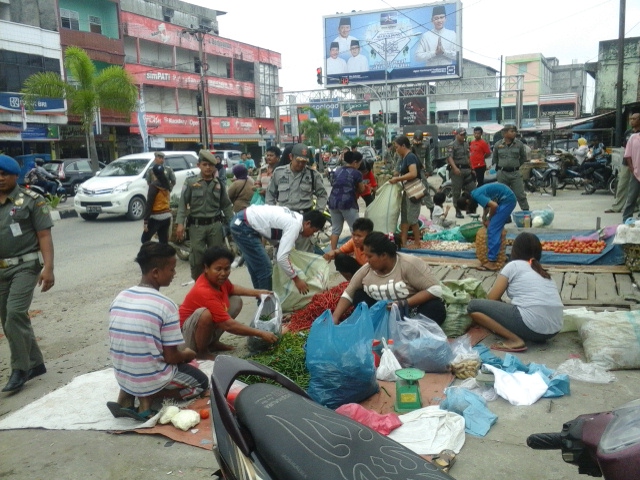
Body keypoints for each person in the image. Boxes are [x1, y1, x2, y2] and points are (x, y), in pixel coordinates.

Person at [107, 242, 208, 421]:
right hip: (149, 376)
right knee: (201, 382)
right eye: (172, 269)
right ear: (155, 272)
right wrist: (187, 354)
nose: (174, 273)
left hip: (123, 375)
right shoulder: (165, 305)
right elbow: (171, 357)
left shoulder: (121, 296)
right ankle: (150, 396)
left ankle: (128, 396)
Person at [0, 154, 54, 392]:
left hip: (26, 266)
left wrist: (48, 268)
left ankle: (20, 369)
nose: (0, 178)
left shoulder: (32, 200)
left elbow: (44, 235)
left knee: (14, 314)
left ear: (15, 176)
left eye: (4, 174)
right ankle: (36, 363)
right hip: (1, 269)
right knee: (9, 319)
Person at [467, 232, 563, 352]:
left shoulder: (513, 266)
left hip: (531, 327)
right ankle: (525, 334)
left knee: (473, 306)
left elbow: (491, 298)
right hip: (553, 330)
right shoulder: (543, 272)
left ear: (515, 250)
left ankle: (514, 340)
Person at [179, 246, 277, 360]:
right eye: (218, 269)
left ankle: (212, 343)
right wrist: (260, 333)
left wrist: (258, 293)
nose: (223, 273)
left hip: (197, 331)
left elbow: (232, 288)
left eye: (227, 269)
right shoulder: (204, 291)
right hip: (183, 339)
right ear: (206, 268)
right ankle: (202, 353)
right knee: (205, 315)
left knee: (236, 301)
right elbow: (228, 325)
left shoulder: (218, 281)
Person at [331, 232, 446, 325]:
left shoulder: (409, 264)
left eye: (370, 256)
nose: (366, 260)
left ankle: (412, 333)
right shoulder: (366, 270)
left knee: (435, 308)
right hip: (383, 315)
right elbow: (349, 293)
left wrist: (404, 303)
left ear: (383, 255)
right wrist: (335, 317)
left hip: (410, 312)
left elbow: (435, 289)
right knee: (359, 295)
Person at [230, 205, 327, 292]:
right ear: (307, 223)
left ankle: (261, 299)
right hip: (244, 226)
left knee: (257, 268)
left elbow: (270, 229)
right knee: (265, 268)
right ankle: (266, 303)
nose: (311, 235)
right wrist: (296, 280)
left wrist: (278, 245)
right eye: (313, 231)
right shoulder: (295, 225)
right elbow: (281, 258)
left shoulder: (296, 217)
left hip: (242, 221)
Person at [175, 152, 233, 280]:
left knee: (217, 259)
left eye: (211, 165)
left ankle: (216, 285)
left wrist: (233, 223)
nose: (208, 167)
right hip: (197, 227)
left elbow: (226, 205)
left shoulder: (219, 184)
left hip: (215, 226)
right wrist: (180, 224)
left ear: (214, 167)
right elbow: (182, 204)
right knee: (197, 259)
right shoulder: (191, 182)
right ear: (199, 165)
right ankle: (199, 284)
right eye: (205, 164)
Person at [266, 143, 327, 252]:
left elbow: (322, 194)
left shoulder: (313, 175)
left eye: (304, 162)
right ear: (291, 157)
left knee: (303, 254)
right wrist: (271, 213)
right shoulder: (279, 172)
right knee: (282, 252)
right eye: (298, 161)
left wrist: (317, 214)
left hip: (304, 222)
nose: (300, 164)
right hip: (283, 220)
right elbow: (270, 193)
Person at [457, 183, 517, 272]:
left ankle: (492, 262)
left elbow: (494, 206)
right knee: (496, 226)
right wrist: (484, 216)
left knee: (493, 229)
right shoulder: (474, 194)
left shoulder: (477, 195)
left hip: (507, 200)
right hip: (504, 200)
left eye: (467, 208)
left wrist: (489, 219)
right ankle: (500, 256)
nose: (469, 210)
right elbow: (487, 206)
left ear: (467, 202)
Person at [389, 135, 424, 249]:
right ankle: (403, 242)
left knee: (412, 218)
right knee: (404, 217)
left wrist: (398, 179)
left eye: (397, 147)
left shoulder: (410, 157)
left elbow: (413, 173)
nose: (396, 149)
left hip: (413, 191)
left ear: (403, 146)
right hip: (407, 190)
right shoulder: (404, 157)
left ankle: (417, 243)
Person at [328, 150, 364, 251]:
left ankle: (333, 252)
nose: (359, 166)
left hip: (333, 202)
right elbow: (361, 189)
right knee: (356, 229)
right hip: (348, 203)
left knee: (335, 229)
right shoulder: (356, 173)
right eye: (359, 163)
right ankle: (357, 253)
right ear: (355, 162)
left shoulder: (338, 170)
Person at [606, 113, 640, 214]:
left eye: (634, 119)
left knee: (635, 188)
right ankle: (617, 207)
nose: (631, 121)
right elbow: (626, 149)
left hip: (638, 163)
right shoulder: (628, 133)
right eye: (630, 119)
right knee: (622, 184)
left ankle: (635, 207)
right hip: (627, 163)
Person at [493, 124, 529, 212]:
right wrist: (502, 166)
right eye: (512, 131)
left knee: (520, 194)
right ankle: (504, 215)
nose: (514, 133)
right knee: (502, 195)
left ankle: (526, 212)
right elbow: (495, 159)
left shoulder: (519, 144)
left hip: (515, 174)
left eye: (515, 131)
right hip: (502, 174)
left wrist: (515, 165)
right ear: (505, 133)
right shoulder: (498, 144)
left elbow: (523, 158)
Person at [324, 217, 373, 281]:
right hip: (360, 269)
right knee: (340, 258)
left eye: (359, 236)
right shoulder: (353, 242)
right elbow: (340, 251)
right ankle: (351, 282)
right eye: (354, 235)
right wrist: (333, 252)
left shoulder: (375, 247)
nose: (355, 238)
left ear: (369, 236)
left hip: (372, 273)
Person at [447, 128, 476, 219]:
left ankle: (469, 208)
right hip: (457, 170)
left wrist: (472, 168)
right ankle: (458, 210)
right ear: (457, 135)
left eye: (464, 134)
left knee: (472, 189)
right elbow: (450, 158)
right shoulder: (452, 145)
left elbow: (468, 157)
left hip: (467, 170)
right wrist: (455, 168)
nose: (463, 136)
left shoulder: (466, 144)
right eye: (461, 134)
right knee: (456, 191)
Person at [141, 164, 172, 244]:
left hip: (156, 217)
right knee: (163, 242)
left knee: (144, 240)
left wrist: (146, 221)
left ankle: (154, 251)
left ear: (153, 173)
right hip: (167, 216)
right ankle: (161, 251)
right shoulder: (166, 184)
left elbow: (149, 203)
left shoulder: (153, 186)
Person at [622, 121, 640, 223]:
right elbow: (627, 155)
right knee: (632, 196)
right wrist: (632, 168)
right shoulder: (633, 137)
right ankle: (626, 219)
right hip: (636, 173)